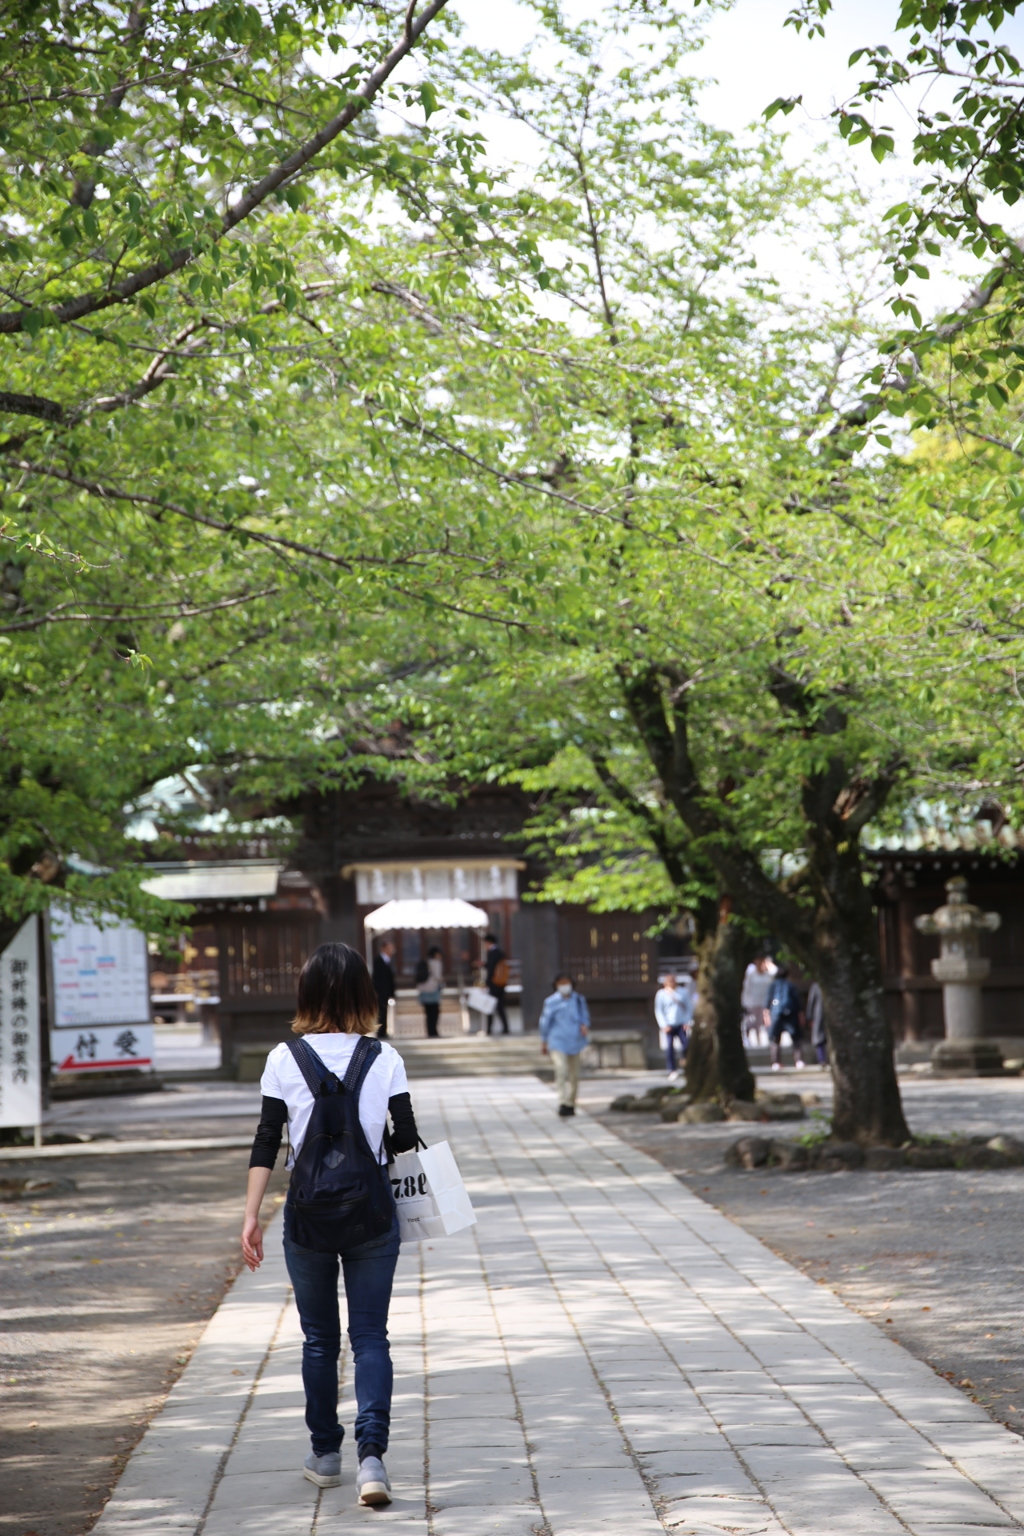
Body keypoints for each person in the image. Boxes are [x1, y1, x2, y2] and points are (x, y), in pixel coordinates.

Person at [242, 943, 420, 1507]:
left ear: (308, 994)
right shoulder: (385, 1057)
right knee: (370, 1336)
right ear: (365, 996)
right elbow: (405, 1140)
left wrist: (251, 1217)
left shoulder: (281, 1058)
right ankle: (373, 1459)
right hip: (372, 1215)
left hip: (308, 1217)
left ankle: (325, 1453)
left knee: (318, 1339)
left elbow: (268, 1139)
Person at [539, 972, 590, 1117]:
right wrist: (544, 1040)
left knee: (574, 1075)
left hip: (575, 1040)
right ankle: (562, 1101)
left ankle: (571, 1102)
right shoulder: (551, 1002)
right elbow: (545, 1022)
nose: (564, 986)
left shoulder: (579, 1000)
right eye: (561, 983)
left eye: (566, 983)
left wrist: (584, 1025)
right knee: (561, 1071)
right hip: (557, 1040)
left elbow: (585, 1016)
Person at [762, 963, 805, 1070]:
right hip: (790, 1013)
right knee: (796, 1039)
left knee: (775, 1039)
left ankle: (776, 1062)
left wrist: (767, 1015)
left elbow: (769, 1001)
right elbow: (797, 1001)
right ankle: (799, 1061)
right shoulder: (791, 985)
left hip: (776, 1013)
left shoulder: (773, 985)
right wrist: (800, 1014)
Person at [654, 971, 695, 1080]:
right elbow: (659, 1011)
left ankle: (684, 1060)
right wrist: (663, 1025)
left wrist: (687, 1022)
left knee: (686, 1044)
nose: (671, 983)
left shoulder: (683, 992)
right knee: (669, 1048)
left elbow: (689, 1008)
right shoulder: (661, 994)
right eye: (669, 981)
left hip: (681, 1023)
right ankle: (672, 1070)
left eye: (673, 981)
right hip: (669, 1024)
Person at [741, 955, 776, 1046]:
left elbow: (775, 971)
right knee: (754, 1021)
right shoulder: (751, 974)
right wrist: (745, 1002)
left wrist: (769, 964)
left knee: (762, 1022)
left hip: (764, 1002)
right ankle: (751, 1038)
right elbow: (746, 988)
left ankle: (762, 1039)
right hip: (753, 1003)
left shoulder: (768, 975)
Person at [414, 945, 444, 1039]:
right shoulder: (436, 963)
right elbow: (438, 976)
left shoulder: (426, 962)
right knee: (435, 1012)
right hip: (433, 989)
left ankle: (430, 1031)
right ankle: (434, 1031)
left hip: (424, 990)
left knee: (428, 1013)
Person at [483, 932, 510, 1036]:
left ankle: (489, 1029)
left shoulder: (492, 953)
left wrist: (486, 982)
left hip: (493, 983)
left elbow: (491, 969)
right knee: (500, 1007)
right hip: (501, 983)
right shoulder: (500, 952)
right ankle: (505, 1027)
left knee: (490, 1006)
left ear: (488, 942)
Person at [372, 939, 396, 1038]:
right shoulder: (378, 961)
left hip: (386, 991)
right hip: (380, 992)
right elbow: (376, 977)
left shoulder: (388, 961)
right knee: (381, 1012)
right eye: (390, 948)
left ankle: (384, 1030)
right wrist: (376, 990)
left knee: (385, 1011)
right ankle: (381, 1032)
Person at [806, 979, 826, 1064]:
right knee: (820, 1037)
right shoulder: (817, 986)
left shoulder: (816, 986)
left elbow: (811, 1002)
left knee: (819, 1037)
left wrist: (809, 1017)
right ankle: (822, 1059)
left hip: (819, 1014)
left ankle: (822, 1059)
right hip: (821, 1014)